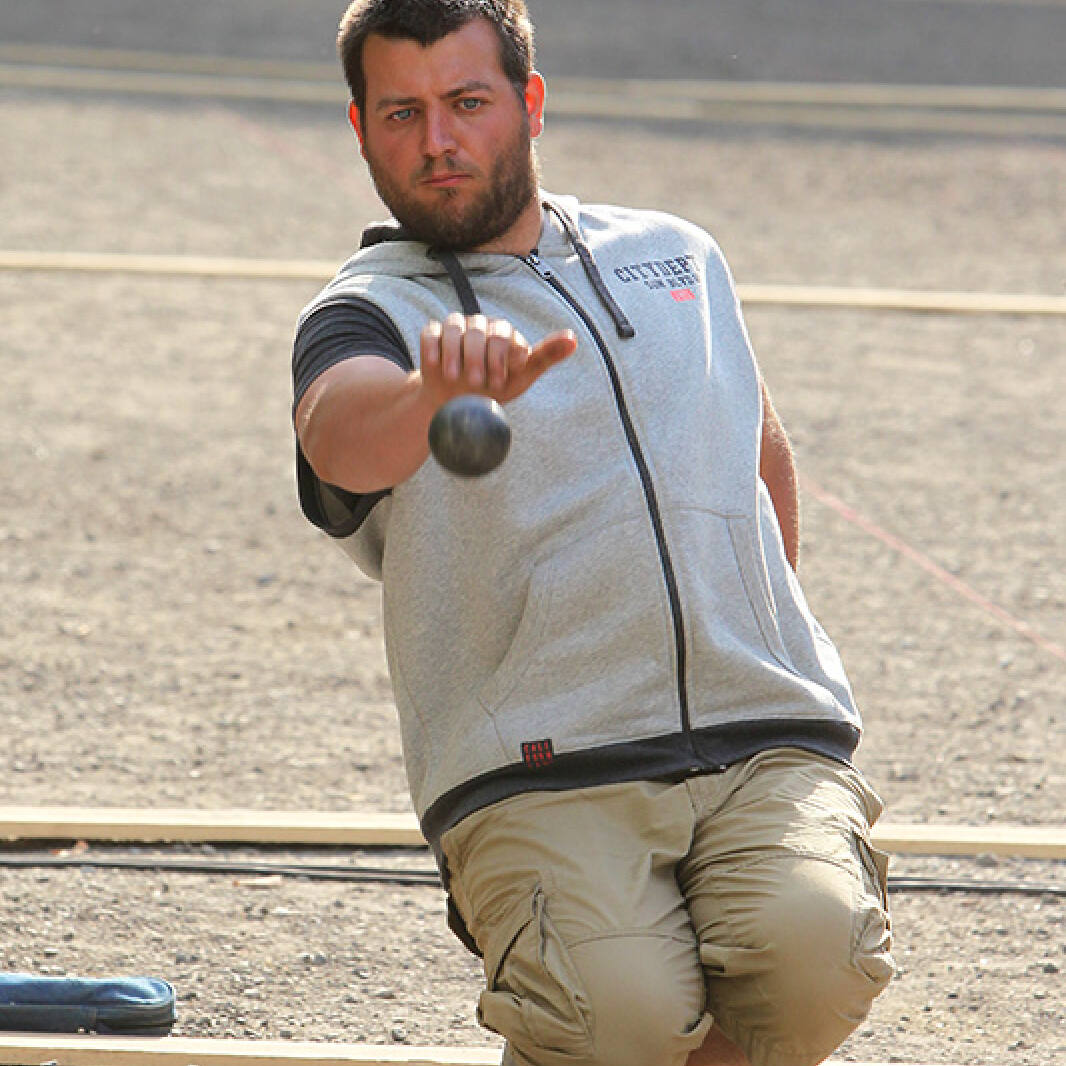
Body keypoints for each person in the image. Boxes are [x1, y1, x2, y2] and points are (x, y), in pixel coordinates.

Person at [291, 3, 895, 1065]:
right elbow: (338, 434)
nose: (438, 140)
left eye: (467, 102)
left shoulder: (677, 256)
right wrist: (431, 391)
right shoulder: (367, 313)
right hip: (538, 766)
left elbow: (757, 451)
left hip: (760, 732)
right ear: (361, 130)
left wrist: (762, 647)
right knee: (615, 1015)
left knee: (817, 957)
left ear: (530, 103)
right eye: (402, 114)